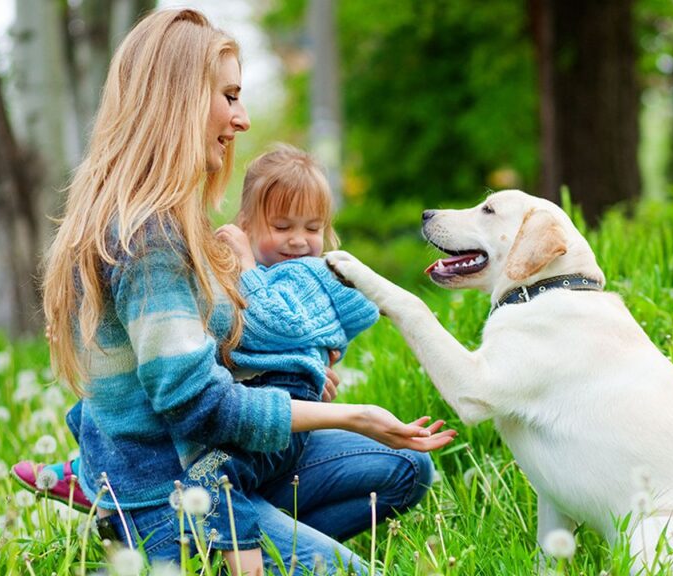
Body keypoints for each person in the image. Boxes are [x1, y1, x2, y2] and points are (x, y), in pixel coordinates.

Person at [32, 9, 455, 574]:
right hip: (179, 495)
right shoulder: (149, 239)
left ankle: (267, 537)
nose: (244, 119)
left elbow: (192, 360)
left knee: (407, 467)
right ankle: (216, 547)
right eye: (229, 97)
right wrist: (351, 415)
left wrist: (286, 366)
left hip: (212, 465)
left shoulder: (163, 224)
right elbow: (199, 407)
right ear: (180, 100)